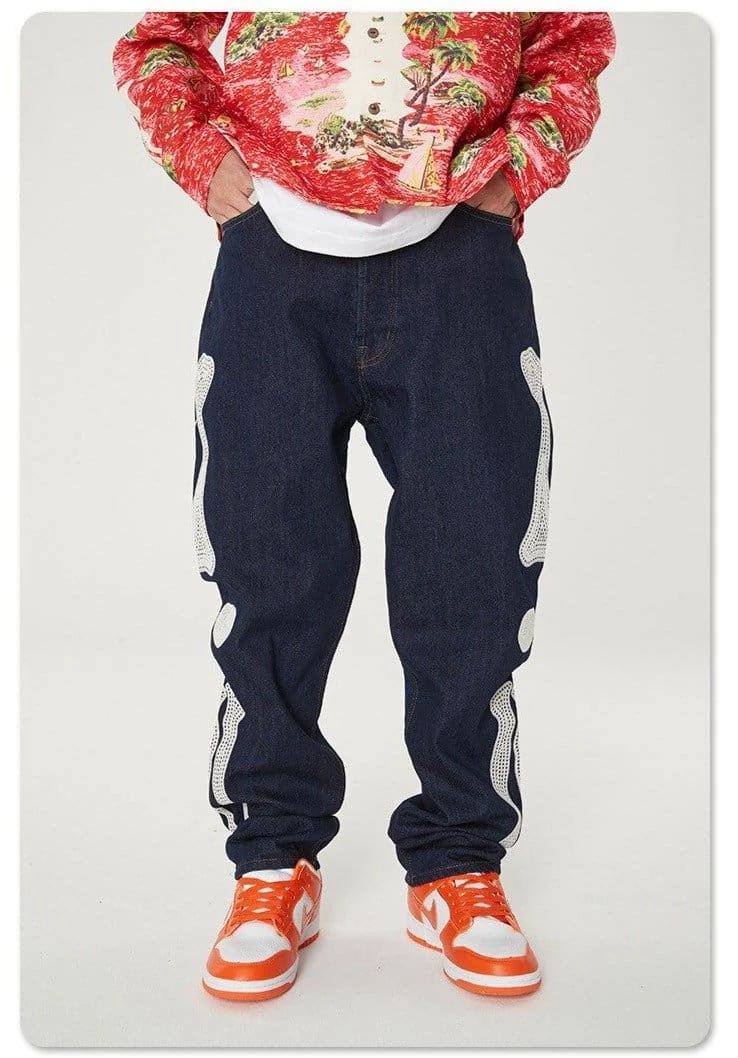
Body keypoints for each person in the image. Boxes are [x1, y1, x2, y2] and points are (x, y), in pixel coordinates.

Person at [113, 10, 615, 1002]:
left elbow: (571, 44)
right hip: (273, 263)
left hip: (459, 259)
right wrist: (208, 167)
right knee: (267, 568)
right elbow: (158, 41)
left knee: (475, 560)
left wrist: (514, 171)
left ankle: (458, 862)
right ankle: (273, 859)